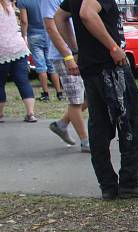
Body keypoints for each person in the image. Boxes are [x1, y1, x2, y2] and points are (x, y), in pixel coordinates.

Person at [57, 0, 138, 200]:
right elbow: (87, 13)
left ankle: (108, 185)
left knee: (99, 128)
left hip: (92, 67)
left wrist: (76, 50)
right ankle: (129, 182)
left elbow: (59, 18)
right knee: (130, 124)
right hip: (110, 67)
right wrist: (113, 47)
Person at [45, 0, 90, 151]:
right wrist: (68, 56)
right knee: (76, 100)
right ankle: (85, 142)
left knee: (91, 95)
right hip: (64, 56)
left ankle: (62, 124)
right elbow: (51, 28)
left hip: (79, 52)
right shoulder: (50, 1)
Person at [18, 0, 63, 101]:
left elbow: (24, 21)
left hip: (34, 35)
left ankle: (46, 94)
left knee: (40, 66)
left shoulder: (23, 2)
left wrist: (24, 35)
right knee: (51, 65)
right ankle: (59, 93)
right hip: (48, 33)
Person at [0, 0, 37, 123]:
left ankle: (0, 114)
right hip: (18, 47)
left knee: (0, 83)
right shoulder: (9, 5)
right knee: (23, 81)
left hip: (2, 49)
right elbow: (23, 21)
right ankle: (30, 113)